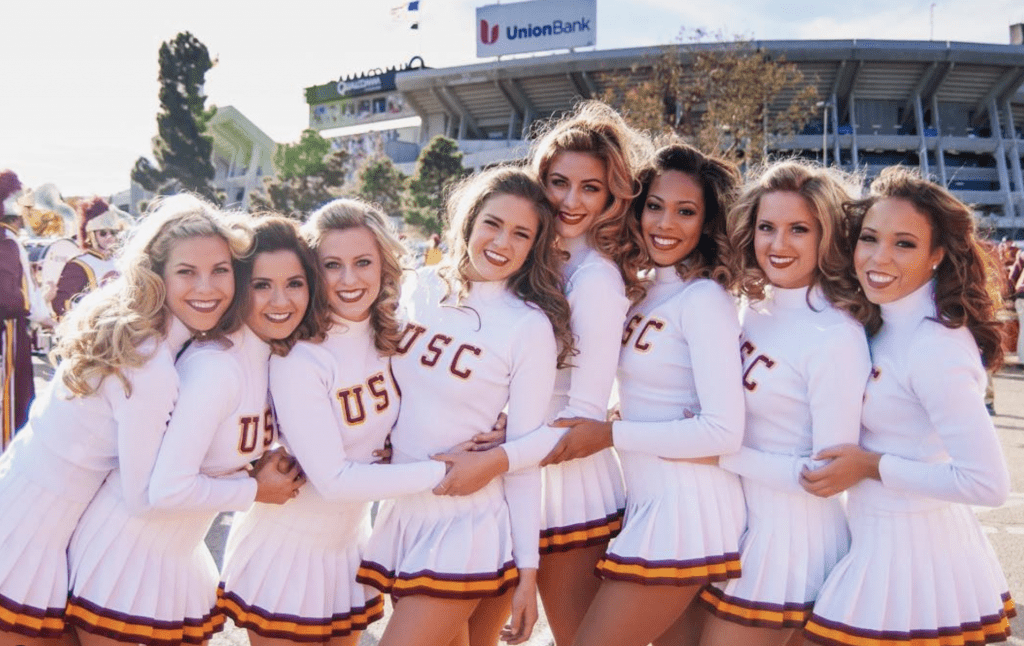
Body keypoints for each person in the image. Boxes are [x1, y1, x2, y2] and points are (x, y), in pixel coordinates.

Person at [0, 194, 247, 646]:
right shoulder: (149, 360)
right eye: (186, 272)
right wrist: (253, 490)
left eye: (220, 271)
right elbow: (143, 495)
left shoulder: (139, 328)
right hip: (31, 531)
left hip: (25, 501)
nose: (206, 288)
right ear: (157, 274)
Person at [535, 143, 747, 646]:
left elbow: (724, 430)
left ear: (707, 222)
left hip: (686, 513)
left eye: (685, 211)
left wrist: (612, 433)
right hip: (649, 502)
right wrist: (620, 416)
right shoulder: (648, 288)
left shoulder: (705, 299)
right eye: (655, 206)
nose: (665, 224)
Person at [64, 212, 306, 646]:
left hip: (177, 556)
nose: (279, 301)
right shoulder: (216, 366)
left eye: (294, 283)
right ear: (240, 289)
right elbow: (167, 489)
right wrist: (256, 490)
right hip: (123, 559)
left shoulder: (268, 358)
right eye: (261, 285)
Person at [355, 166, 574, 646]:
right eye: (493, 223)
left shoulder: (527, 325)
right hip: (405, 507)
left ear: (535, 246)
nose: (502, 242)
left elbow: (522, 455)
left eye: (521, 233)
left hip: (469, 521)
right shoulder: (419, 287)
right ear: (469, 221)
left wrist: (527, 573)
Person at [218, 203, 450, 646]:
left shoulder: (393, 336)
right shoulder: (301, 356)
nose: (349, 280)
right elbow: (333, 480)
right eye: (331, 266)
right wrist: (447, 471)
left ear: (384, 264)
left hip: (347, 549)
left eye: (362, 262)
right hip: (288, 551)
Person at [801, 168, 1014, 646]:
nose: (879, 258)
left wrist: (871, 465)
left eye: (905, 244)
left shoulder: (935, 346)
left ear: (937, 256)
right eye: (870, 238)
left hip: (915, 558)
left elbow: (987, 484)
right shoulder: (876, 321)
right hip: (872, 540)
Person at [696, 161, 872, 646]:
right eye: (767, 228)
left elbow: (826, 474)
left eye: (799, 230)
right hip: (743, 530)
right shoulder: (750, 308)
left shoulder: (836, 334)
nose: (778, 244)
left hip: (795, 544)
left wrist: (717, 451)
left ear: (828, 238)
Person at [0, 169, 53, 449]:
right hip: (8, 329)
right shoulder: (9, 241)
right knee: (11, 396)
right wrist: (49, 319)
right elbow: (23, 298)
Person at [51, 197, 129, 319]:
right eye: (103, 233)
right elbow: (61, 304)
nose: (109, 237)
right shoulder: (78, 265)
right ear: (91, 235)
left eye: (113, 232)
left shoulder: (122, 261)